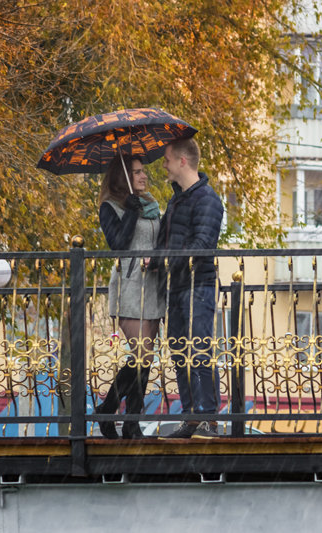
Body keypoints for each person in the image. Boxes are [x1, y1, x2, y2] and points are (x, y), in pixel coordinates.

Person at [155, 137, 224, 439]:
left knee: (199, 350)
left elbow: (202, 244)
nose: (164, 165)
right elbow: (165, 243)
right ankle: (191, 417)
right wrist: (155, 260)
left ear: (182, 161)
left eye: (167, 159)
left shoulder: (207, 199)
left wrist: (169, 260)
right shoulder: (175, 200)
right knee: (179, 350)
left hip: (200, 283)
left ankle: (209, 418)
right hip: (179, 284)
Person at [95, 154, 164, 439]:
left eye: (143, 171)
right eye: (136, 173)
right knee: (140, 353)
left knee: (145, 358)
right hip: (129, 285)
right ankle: (115, 411)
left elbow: (160, 240)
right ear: (123, 177)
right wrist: (131, 211)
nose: (143, 176)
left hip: (154, 285)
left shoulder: (152, 205)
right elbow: (118, 244)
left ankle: (128, 421)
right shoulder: (109, 207)